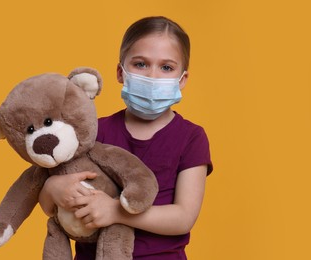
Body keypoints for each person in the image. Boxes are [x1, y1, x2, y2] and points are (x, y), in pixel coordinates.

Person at [39, 16, 213, 260]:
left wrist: (117, 212)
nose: (152, 76)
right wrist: (50, 188)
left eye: (166, 67)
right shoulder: (90, 131)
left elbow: (184, 217)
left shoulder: (191, 137)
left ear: (181, 79)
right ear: (121, 72)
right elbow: (50, 207)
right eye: (140, 64)